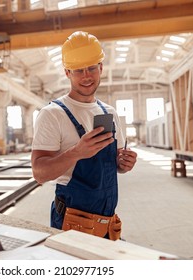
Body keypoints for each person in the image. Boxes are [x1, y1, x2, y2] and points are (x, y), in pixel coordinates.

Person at [31, 31, 137, 240]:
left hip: (108, 223)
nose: (86, 76)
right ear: (67, 73)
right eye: (78, 70)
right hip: (71, 224)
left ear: (101, 68)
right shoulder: (52, 114)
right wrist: (76, 152)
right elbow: (39, 174)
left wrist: (123, 164)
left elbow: (113, 167)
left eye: (91, 68)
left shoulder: (110, 113)